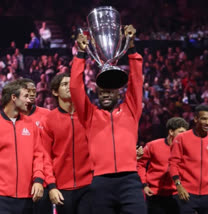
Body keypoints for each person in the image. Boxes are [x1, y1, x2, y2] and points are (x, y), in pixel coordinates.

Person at [70, 25, 146, 214]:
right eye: (102, 90)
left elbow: (136, 80)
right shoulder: (90, 115)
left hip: (130, 180)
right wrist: (80, 54)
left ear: (118, 92)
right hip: (101, 181)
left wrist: (131, 47)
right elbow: (75, 88)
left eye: (110, 91)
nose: (105, 94)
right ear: (96, 92)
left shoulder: (131, 110)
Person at [0, 80, 45, 214]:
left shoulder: (31, 125)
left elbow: (38, 156)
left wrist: (39, 180)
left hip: (28, 198)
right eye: (25, 96)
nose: (28, 100)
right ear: (13, 97)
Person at [40, 73, 93, 214]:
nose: (69, 87)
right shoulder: (49, 120)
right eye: (64, 84)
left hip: (89, 185)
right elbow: (45, 156)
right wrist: (51, 186)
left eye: (71, 84)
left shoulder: (88, 115)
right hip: (62, 188)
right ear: (55, 92)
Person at [169, 104, 208, 214]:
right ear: (195, 119)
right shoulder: (181, 138)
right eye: (203, 118)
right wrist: (178, 185)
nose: (207, 122)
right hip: (187, 193)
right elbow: (173, 163)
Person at [137, 117, 189, 214]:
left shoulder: (186, 150)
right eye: (181, 132)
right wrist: (144, 185)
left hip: (176, 194)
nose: (184, 136)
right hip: (154, 194)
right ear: (171, 132)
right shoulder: (153, 145)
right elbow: (140, 165)